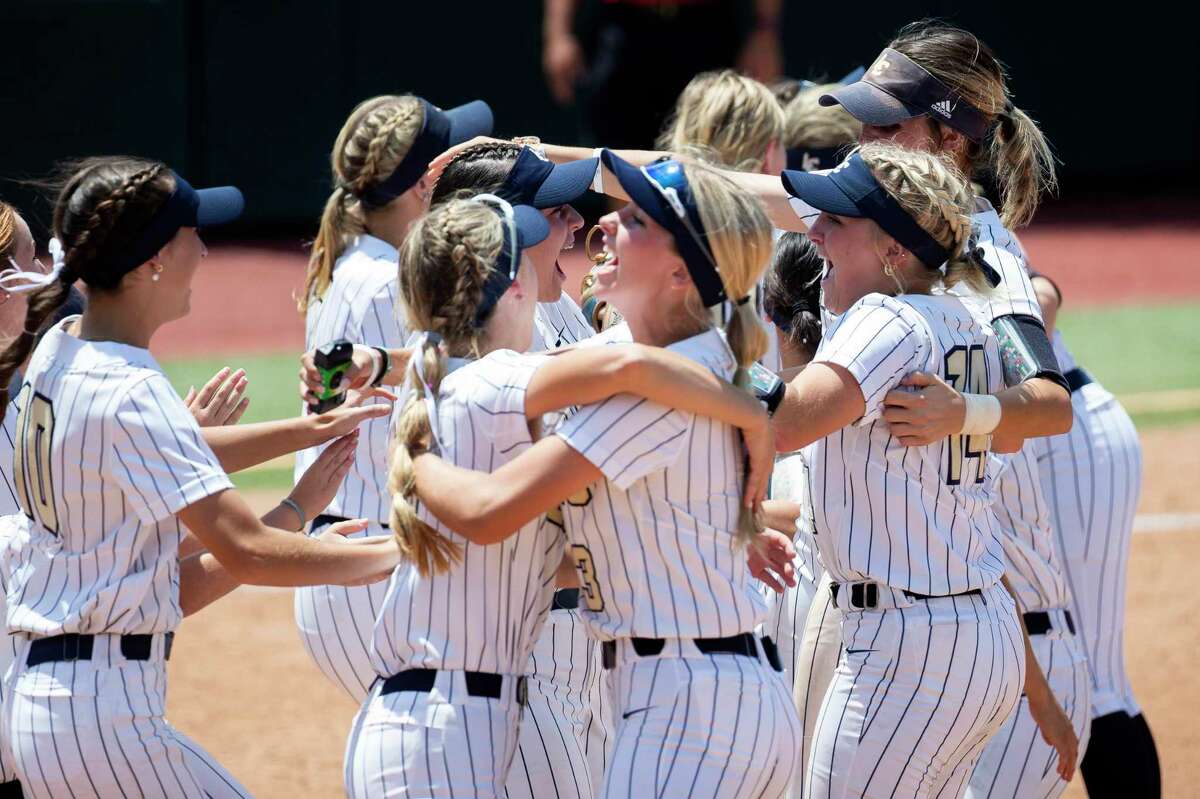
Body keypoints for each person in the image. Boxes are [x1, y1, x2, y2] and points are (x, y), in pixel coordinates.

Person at [337, 193, 780, 798]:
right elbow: (627, 369)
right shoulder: (494, 381)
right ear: (515, 288)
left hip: (458, 717)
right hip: (448, 723)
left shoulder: (453, 378)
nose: (586, 230)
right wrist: (748, 414)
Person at [0, 158, 401, 797]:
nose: (205, 249)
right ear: (150, 262)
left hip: (43, 703)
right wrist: (404, 551)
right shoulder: (129, 387)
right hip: (102, 719)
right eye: (191, 233)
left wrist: (308, 435)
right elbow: (250, 550)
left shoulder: (60, 349)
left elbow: (167, 455)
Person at [820, 21, 1138, 794]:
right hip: (970, 631)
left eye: (887, 123)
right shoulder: (886, 223)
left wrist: (963, 412)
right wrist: (555, 161)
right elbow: (723, 200)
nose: (864, 139)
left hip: (1009, 637)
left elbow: (1047, 402)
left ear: (949, 137)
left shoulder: (984, 257)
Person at [769, 143, 1024, 796]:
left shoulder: (885, 316)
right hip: (974, 630)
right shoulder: (960, 313)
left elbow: (784, 424)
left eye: (838, 222)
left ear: (894, 251)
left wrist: (667, 378)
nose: (815, 230)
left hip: (908, 651)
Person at [294, 93, 494, 701]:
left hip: (345, 555)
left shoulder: (352, 263)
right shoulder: (390, 281)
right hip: (370, 560)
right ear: (422, 186)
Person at [428, 142, 612, 799]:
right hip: (529, 639)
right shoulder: (493, 349)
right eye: (552, 214)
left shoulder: (549, 309)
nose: (572, 225)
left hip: (580, 631)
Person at [543, 0, 785, 148]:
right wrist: (558, 33)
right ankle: (627, 231)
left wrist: (765, 32)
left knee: (712, 143)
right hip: (624, 27)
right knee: (621, 153)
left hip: (705, 28)